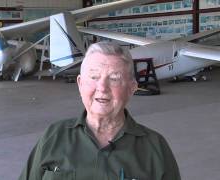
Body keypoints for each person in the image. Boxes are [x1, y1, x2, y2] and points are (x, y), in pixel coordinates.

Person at [18, 41, 181, 180]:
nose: (102, 88)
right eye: (94, 77)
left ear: (132, 88)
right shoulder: (53, 137)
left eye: (114, 78)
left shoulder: (155, 148)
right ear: (80, 84)